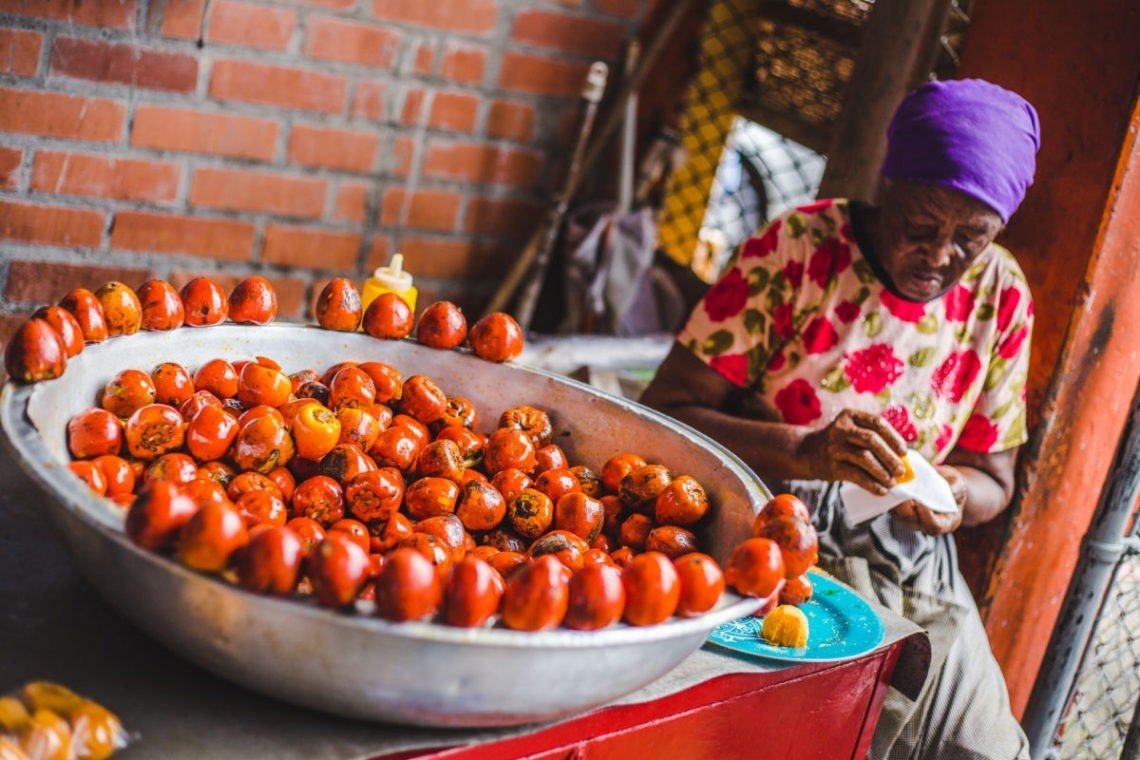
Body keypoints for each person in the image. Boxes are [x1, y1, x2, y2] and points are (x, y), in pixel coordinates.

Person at [642, 79, 1040, 759]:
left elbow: (993, 480)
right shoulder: (798, 248)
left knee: (984, 748)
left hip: (916, 558)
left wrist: (952, 496)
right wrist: (807, 452)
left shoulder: (1000, 295)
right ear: (890, 185)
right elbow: (664, 412)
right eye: (921, 227)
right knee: (815, 728)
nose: (941, 258)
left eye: (970, 239)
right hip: (773, 525)